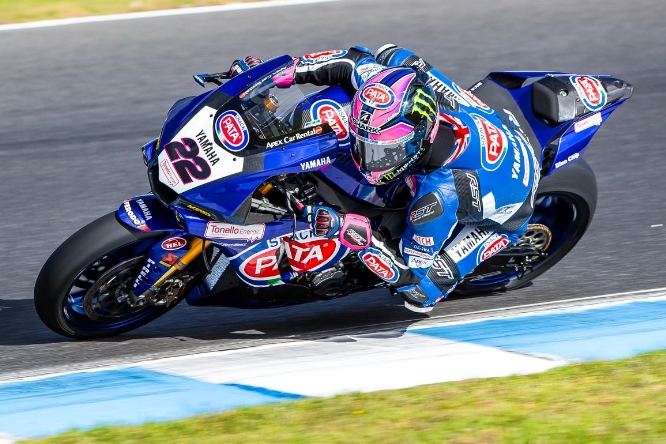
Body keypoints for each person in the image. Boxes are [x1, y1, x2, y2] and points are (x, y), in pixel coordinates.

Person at [228, 45, 540, 313]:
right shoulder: (393, 106)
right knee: (392, 56)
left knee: (420, 294)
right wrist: (281, 73)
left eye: (380, 152)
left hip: (508, 211)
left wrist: (355, 233)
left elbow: (408, 273)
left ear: (417, 141)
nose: (366, 157)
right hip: (482, 122)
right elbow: (352, 61)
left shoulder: (438, 198)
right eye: (364, 143)